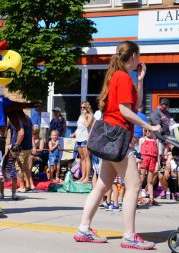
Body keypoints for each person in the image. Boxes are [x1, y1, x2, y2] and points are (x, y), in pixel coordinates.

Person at [74, 41, 162, 250]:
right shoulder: (121, 77)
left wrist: (140, 81)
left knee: (103, 185)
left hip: (111, 137)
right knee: (133, 185)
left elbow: (136, 106)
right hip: (119, 136)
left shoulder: (120, 76)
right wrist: (149, 125)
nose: (140, 59)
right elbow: (125, 111)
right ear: (132, 56)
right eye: (138, 55)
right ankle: (129, 236)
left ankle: (84, 229)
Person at [9, 115, 35, 192]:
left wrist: (16, 145)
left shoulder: (19, 118)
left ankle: (22, 186)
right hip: (28, 147)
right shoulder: (28, 118)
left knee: (19, 167)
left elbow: (21, 133)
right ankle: (29, 185)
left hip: (21, 148)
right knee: (26, 167)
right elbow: (32, 130)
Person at [70, 101, 93, 184]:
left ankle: (87, 177)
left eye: (84, 107)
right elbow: (79, 127)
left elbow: (87, 125)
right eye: (81, 107)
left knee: (87, 158)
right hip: (78, 138)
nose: (82, 109)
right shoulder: (80, 116)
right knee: (82, 158)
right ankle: (82, 176)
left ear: (87, 107)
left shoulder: (89, 115)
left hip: (85, 138)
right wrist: (74, 133)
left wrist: (84, 116)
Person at [139, 128, 159, 206]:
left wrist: (157, 164)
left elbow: (157, 154)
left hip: (152, 160)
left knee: (150, 180)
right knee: (141, 178)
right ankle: (139, 197)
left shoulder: (155, 141)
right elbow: (139, 152)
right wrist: (138, 163)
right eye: (146, 131)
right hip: (144, 159)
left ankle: (151, 198)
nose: (147, 132)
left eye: (149, 131)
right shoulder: (142, 139)